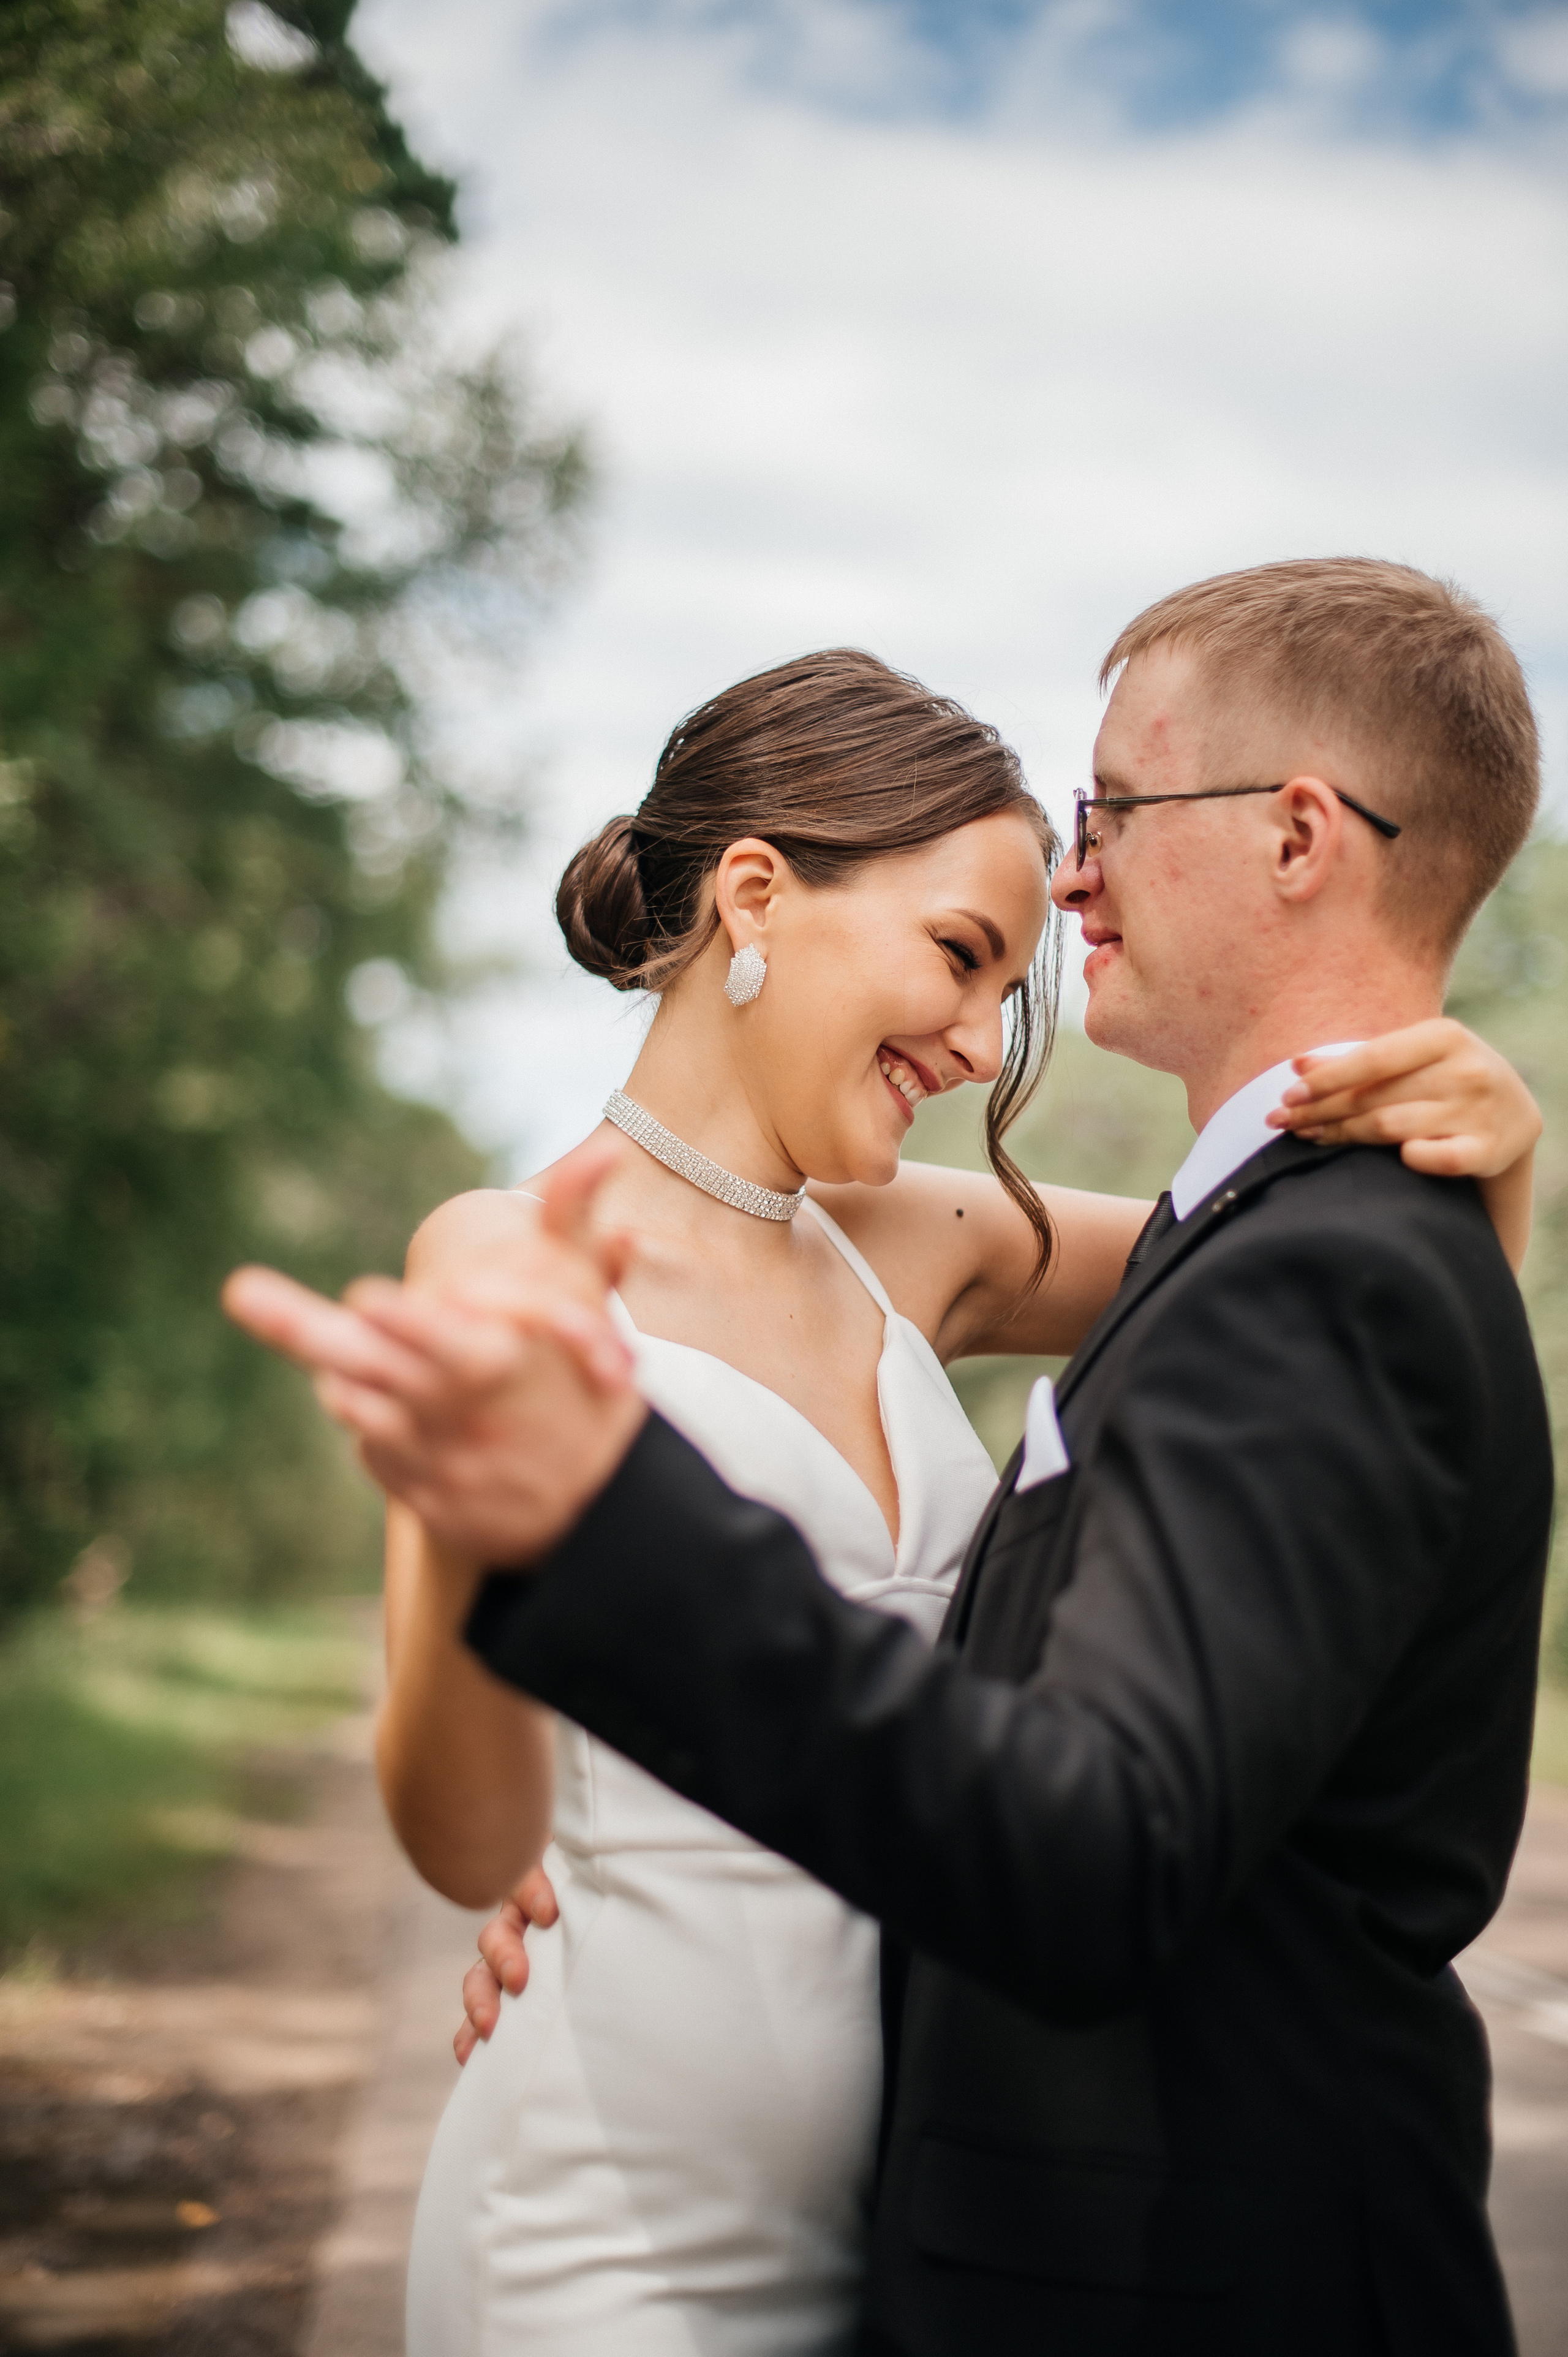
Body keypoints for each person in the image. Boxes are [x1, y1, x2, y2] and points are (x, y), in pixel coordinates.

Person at [225, 580, 1548, 2357]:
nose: (985, 1043)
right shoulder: (502, 1258)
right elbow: (466, 1844)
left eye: (1012, 987)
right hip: (625, 2219)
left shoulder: (932, 1239)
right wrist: (490, 1556)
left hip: (917, 2222)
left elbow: (1296, 1288)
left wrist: (1487, 1143)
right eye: (960, 954)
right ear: (757, 896)